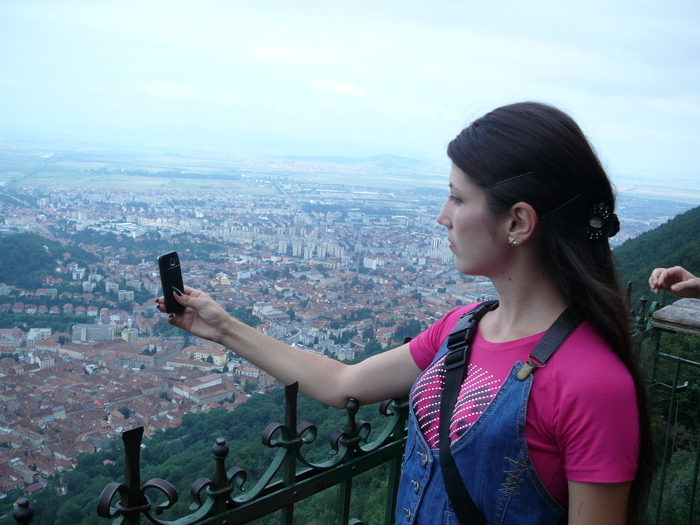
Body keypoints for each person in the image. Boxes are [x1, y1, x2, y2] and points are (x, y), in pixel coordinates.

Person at [157, 102, 654, 525]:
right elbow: (343, 382)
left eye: (458, 198)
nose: (443, 215)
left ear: (518, 222)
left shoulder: (592, 383)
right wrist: (222, 327)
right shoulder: (463, 328)